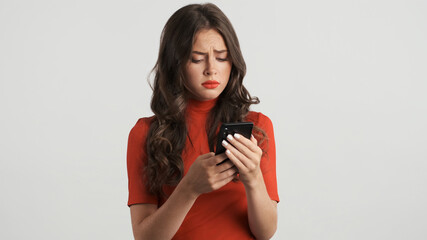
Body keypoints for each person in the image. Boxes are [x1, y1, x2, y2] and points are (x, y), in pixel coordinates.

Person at [126, 3, 279, 239]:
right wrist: (189, 188)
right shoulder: (146, 133)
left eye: (222, 58)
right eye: (197, 59)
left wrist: (253, 177)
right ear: (175, 63)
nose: (211, 69)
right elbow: (145, 237)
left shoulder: (257, 128)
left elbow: (266, 233)